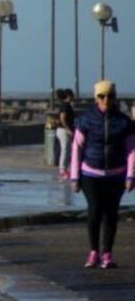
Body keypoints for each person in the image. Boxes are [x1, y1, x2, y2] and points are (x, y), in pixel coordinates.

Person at [70, 80, 135, 269]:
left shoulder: (124, 122)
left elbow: (132, 150)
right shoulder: (86, 120)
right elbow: (77, 148)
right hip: (91, 173)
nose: (106, 99)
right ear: (96, 97)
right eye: (102, 96)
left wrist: (131, 176)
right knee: (94, 211)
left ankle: (107, 253)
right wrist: (75, 177)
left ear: (115, 98)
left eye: (110, 96)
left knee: (111, 214)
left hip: (116, 174)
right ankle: (93, 252)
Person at [55, 89, 76, 181]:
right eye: (72, 95)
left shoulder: (66, 105)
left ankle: (65, 169)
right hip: (63, 130)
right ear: (69, 95)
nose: (74, 97)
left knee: (67, 150)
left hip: (63, 130)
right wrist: (68, 129)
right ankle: (62, 170)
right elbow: (62, 118)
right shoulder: (65, 105)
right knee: (65, 150)